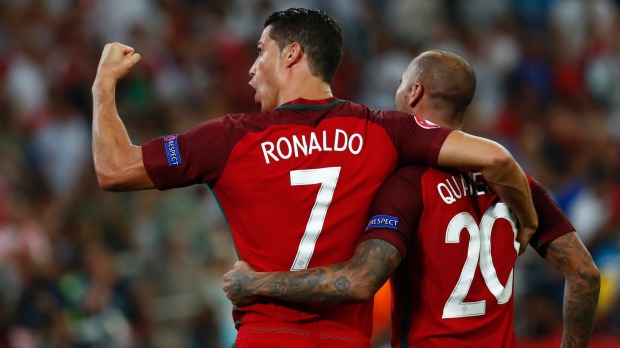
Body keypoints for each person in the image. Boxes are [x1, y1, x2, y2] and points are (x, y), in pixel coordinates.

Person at [92, 7, 538, 347]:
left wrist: (103, 87)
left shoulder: (230, 138)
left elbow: (114, 169)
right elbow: (497, 159)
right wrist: (528, 219)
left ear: (293, 53)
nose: (251, 68)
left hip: (267, 334)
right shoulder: (381, 129)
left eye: (260, 52)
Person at [222, 50, 601, 347]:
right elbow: (584, 274)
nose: (397, 91)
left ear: (415, 92)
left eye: (402, 83)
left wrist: (256, 283)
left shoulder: (407, 183)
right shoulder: (519, 186)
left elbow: (359, 281)